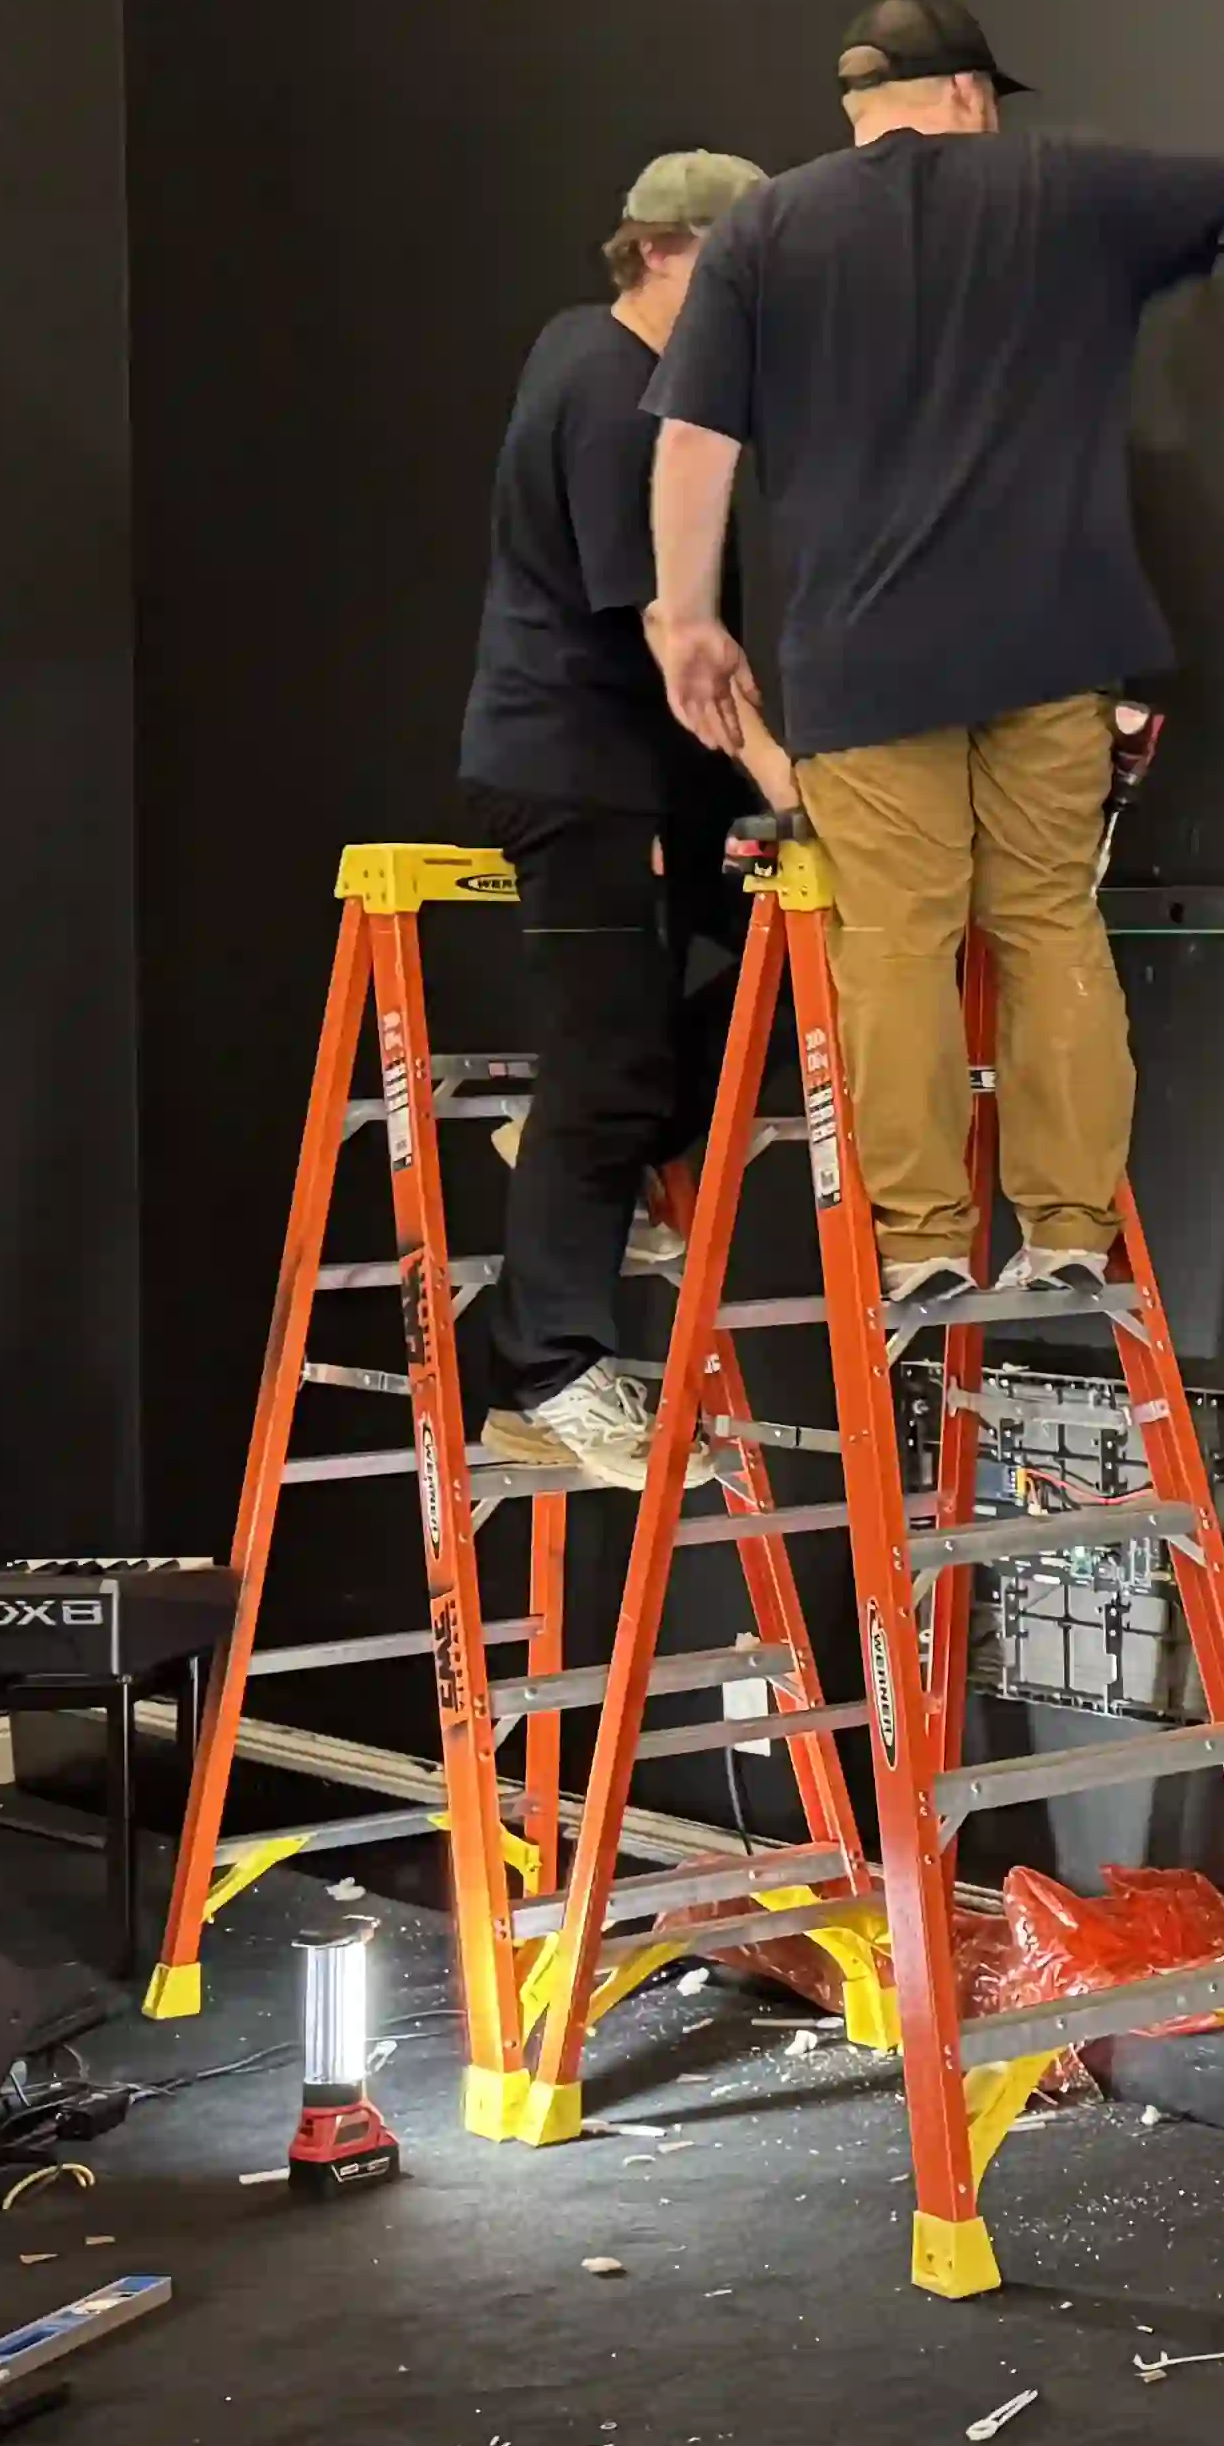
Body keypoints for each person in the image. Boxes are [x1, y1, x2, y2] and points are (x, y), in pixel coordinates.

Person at [637, 0, 1224, 1306]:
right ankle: (1068, 1225)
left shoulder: (768, 229)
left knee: (897, 941)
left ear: (858, 105)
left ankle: (922, 1248)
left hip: (864, 657)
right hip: (1053, 641)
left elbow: (694, 444)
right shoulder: (1062, 188)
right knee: (1049, 919)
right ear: (968, 95)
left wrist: (687, 620)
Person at [456, 149, 772, 1488]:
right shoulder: (609, 388)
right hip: (586, 769)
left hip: (640, 765)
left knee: (815, 955)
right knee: (606, 1068)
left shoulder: (613, 364)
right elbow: (660, 624)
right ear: (656, 251)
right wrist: (781, 774)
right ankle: (546, 1378)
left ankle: (600, 1145)